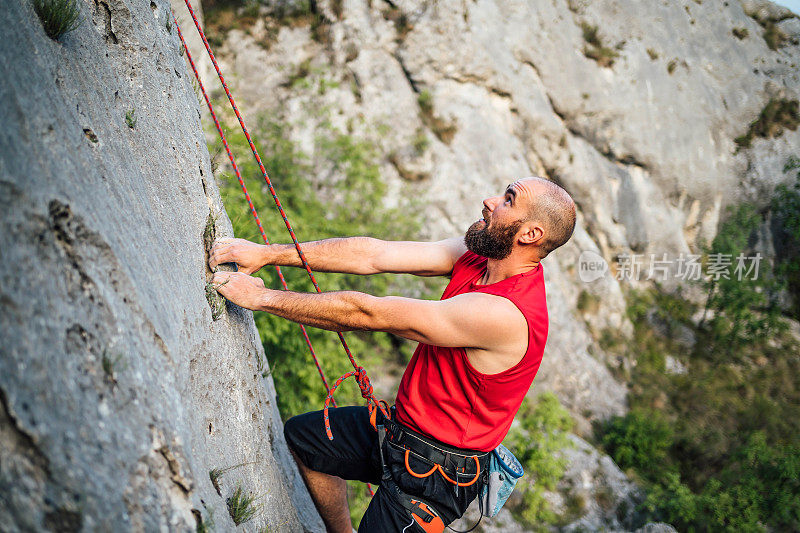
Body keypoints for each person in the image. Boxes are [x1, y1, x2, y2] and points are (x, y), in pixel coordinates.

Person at [209, 176, 576, 532]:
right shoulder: (479, 259)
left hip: (437, 475)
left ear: (530, 235)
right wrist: (268, 254)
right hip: (401, 431)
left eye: (508, 200)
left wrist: (262, 298)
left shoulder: (504, 314)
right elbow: (375, 254)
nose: (491, 200)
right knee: (305, 441)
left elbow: (369, 313)